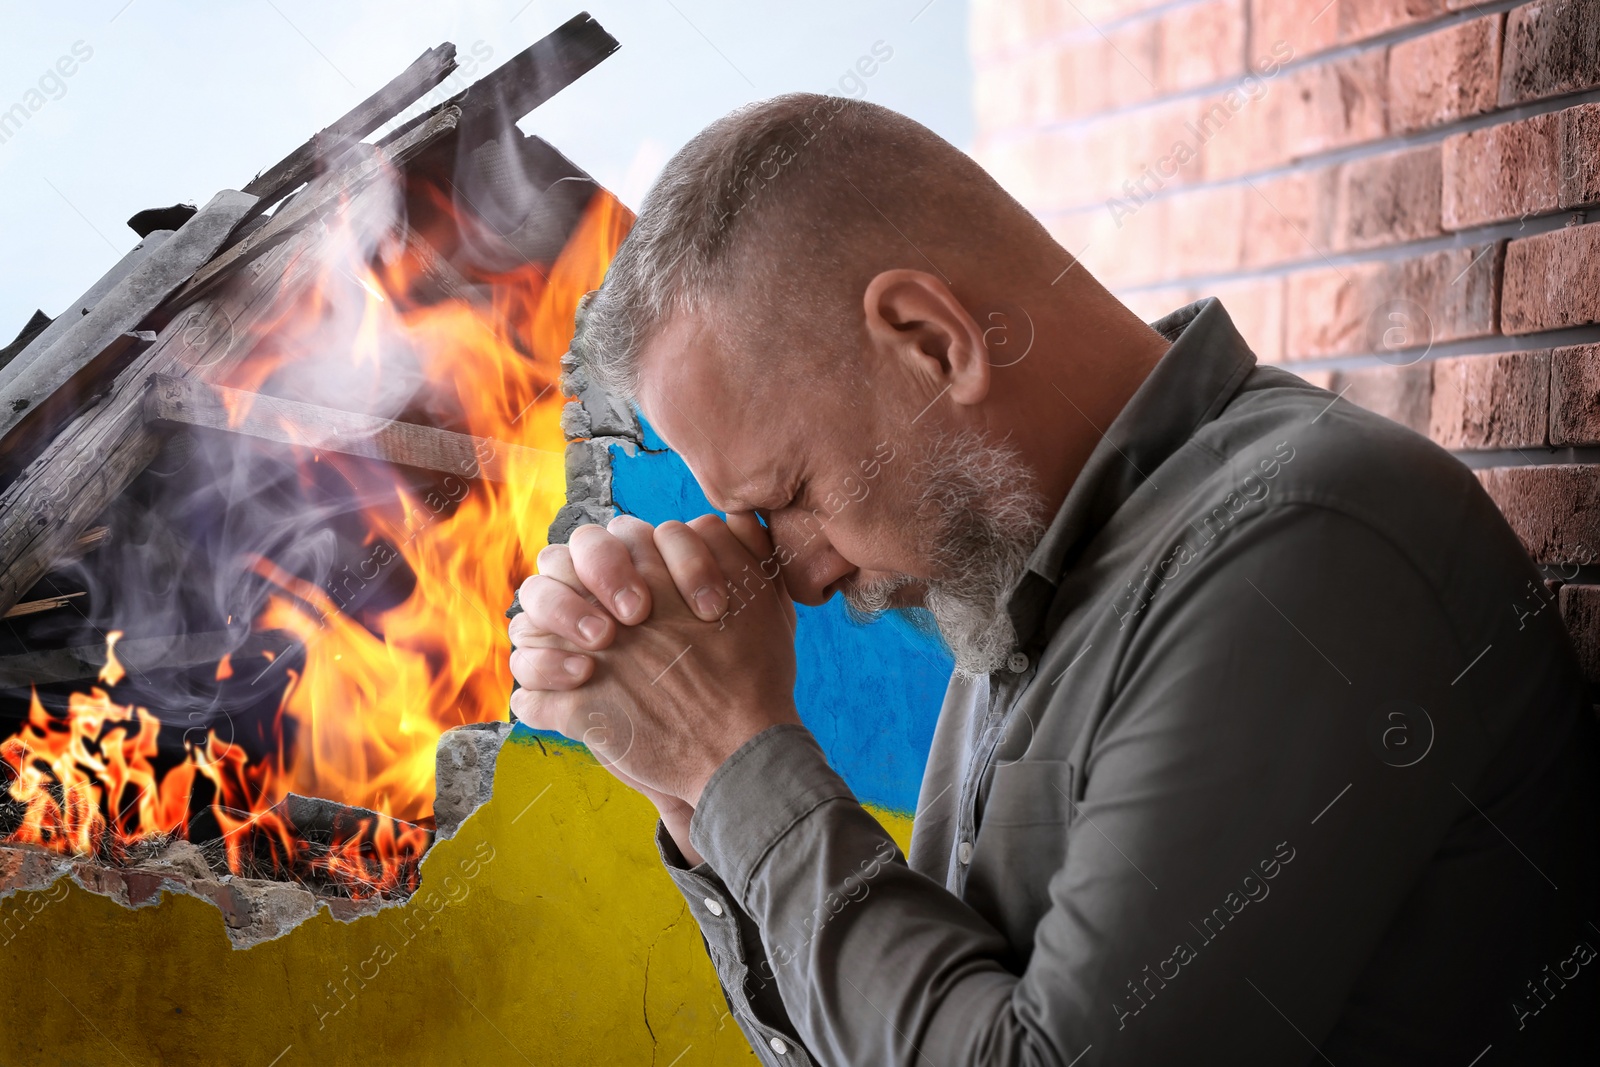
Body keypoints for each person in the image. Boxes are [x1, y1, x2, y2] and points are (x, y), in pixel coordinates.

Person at [506, 94, 1600, 1065]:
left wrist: (741, 759)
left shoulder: (1307, 541)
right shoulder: (1017, 589)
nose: (791, 570)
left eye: (788, 490)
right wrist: (695, 795)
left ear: (931, 340)